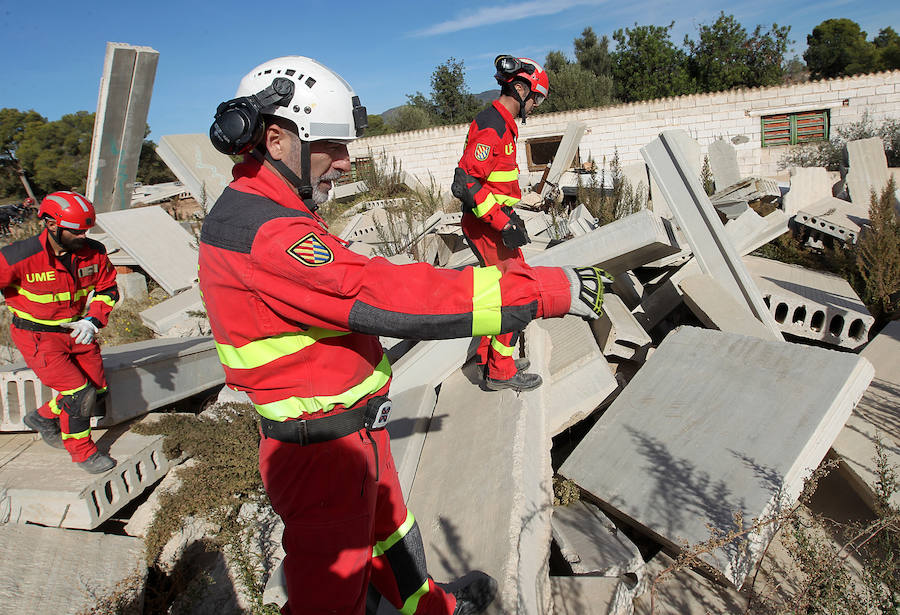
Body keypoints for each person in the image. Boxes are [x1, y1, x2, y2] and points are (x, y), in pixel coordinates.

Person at [199, 56, 607, 615]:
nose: (345, 163)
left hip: (349, 432)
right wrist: (543, 292)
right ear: (276, 139)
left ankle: (429, 607)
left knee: (393, 533)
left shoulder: (271, 207)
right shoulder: (267, 232)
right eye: (334, 146)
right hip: (320, 453)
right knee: (329, 599)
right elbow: (382, 296)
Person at [0, 191, 119, 474]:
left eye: (86, 230)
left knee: (98, 391)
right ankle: (82, 453)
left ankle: (41, 417)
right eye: (77, 231)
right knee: (79, 394)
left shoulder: (94, 252)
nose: (83, 236)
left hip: (79, 331)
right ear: (52, 225)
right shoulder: (18, 257)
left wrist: (93, 320)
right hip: (37, 338)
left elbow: (108, 289)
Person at [453, 55, 550, 392]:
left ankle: (488, 358)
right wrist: (501, 223)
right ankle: (500, 371)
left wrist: (507, 215)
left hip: (494, 221)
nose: (536, 105)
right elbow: (465, 182)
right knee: (516, 291)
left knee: (496, 292)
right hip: (487, 226)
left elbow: (492, 183)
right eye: (536, 97)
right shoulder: (493, 125)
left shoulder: (501, 123)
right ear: (520, 88)